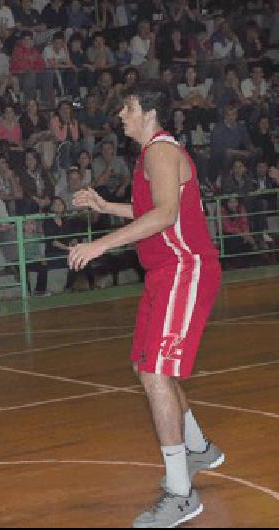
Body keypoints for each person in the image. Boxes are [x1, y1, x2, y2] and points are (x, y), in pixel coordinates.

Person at [70, 82, 223, 528]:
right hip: (163, 274)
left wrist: (99, 246)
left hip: (184, 268)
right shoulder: (150, 158)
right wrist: (105, 205)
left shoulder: (159, 150)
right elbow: (147, 210)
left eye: (128, 107)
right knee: (146, 366)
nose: (121, 115)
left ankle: (181, 493)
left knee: (156, 370)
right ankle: (196, 448)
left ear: (149, 112)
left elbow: (164, 216)